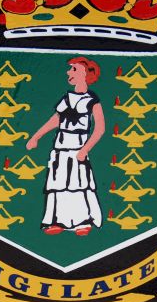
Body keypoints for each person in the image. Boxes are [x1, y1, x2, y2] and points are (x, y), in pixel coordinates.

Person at [26, 56, 105, 236]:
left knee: (79, 183)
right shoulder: (67, 98)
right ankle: (58, 220)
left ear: (85, 74)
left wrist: (85, 150)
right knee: (58, 183)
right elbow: (56, 120)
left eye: (74, 69)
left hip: (78, 147)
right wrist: (36, 137)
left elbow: (100, 128)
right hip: (60, 147)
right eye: (70, 69)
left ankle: (82, 222)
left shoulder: (92, 100)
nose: (69, 72)